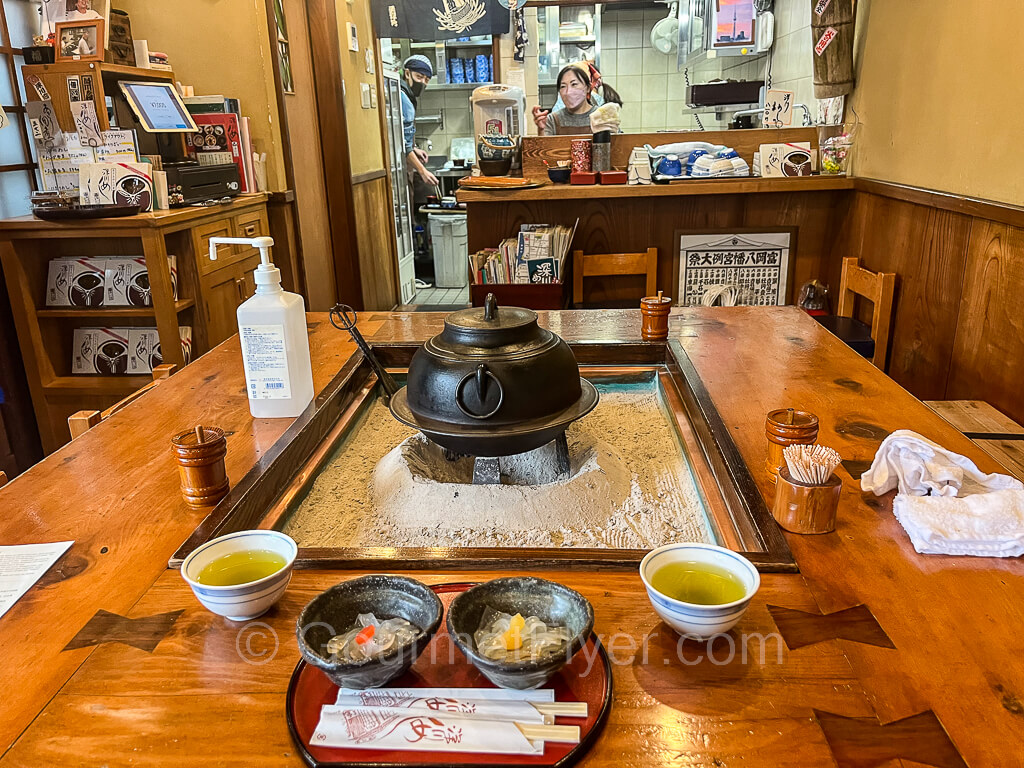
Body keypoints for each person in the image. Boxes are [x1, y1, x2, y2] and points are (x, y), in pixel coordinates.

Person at [534, 62, 621, 136]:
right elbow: (544, 151)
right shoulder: (553, 120)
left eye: (574, 84)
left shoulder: (602, 116)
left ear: (587, 88)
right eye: (563, 86)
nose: (568, 92)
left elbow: (616, 148)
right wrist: (541, 130)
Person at [399, 55, 439, 187]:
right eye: (419, 77)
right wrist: (422, 171)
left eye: (426, 79)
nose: (423, 83)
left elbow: (404, 137)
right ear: (407, 73)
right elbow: (402, 144)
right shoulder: (404, 98)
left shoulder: (406, 95)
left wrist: (414, 148)